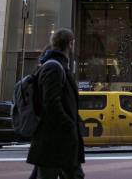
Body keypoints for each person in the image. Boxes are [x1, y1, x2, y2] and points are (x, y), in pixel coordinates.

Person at [27, 28, 85, 179]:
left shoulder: (56, 65)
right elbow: (51, 103)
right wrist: (69, 124)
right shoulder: (54, 67)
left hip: (54, 139)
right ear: (70, 44)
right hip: (56, 139)